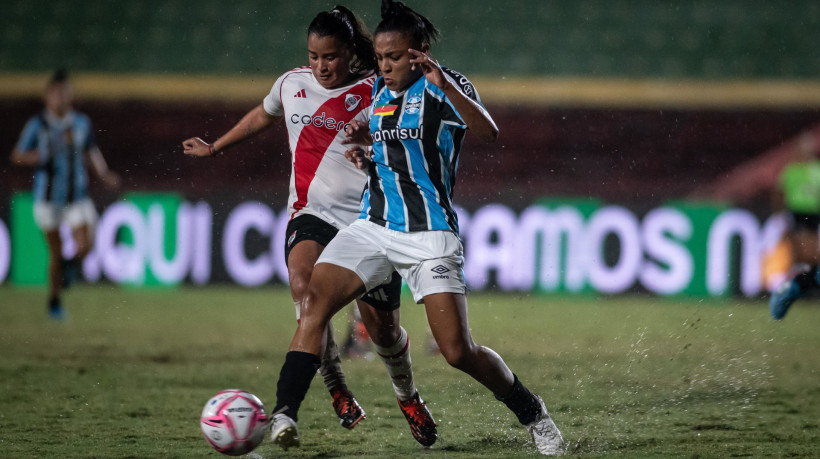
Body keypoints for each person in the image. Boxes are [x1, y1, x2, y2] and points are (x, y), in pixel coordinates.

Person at [268, 1, 566, 455]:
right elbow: (388, 144)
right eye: (381, 58)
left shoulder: (443, 88)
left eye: (393, 58)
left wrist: (443, 82)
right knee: (313, 300)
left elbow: (489, 133)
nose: (384, 67)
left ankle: (533, 413)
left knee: (457, 351)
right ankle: (284, 415)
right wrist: (366, 155)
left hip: (428, 234)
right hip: (373, 226)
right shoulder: (380, 95)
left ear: (419, 54)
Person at [181, 5, 436, 445]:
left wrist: (373, 149)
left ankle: (407, 395)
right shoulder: (291, 84)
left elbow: (403, 136)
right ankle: (334, 388)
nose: (321, 66)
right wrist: (216, 147)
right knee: (305, 292)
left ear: (349, 52)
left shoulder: (377, 88)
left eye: (331, 57)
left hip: (369, 221)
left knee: (384, 331)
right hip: (310, 214)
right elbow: (264, 114)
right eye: (314, 57)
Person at [10, 69, 120, 320]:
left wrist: (104, 174)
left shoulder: (81, 122)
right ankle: (54, 301)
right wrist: (35, 157)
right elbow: (17, 154)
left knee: (87, 244)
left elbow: (91, 151)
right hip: (48, 199)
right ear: (47, 97)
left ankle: (69, 268)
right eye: (56, 94)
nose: (61, 98)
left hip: (77, 195)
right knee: (55, 252)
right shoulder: (37, 124)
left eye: (65, 93)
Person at [769, 134, 820, 319]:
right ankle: (794, 287)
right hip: (798, 213)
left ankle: (796, 286)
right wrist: (780, 214)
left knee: (812, 259)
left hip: (814, 215)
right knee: (803, 256)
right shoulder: (791, 171)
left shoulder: (817, 170)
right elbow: (779, 192)